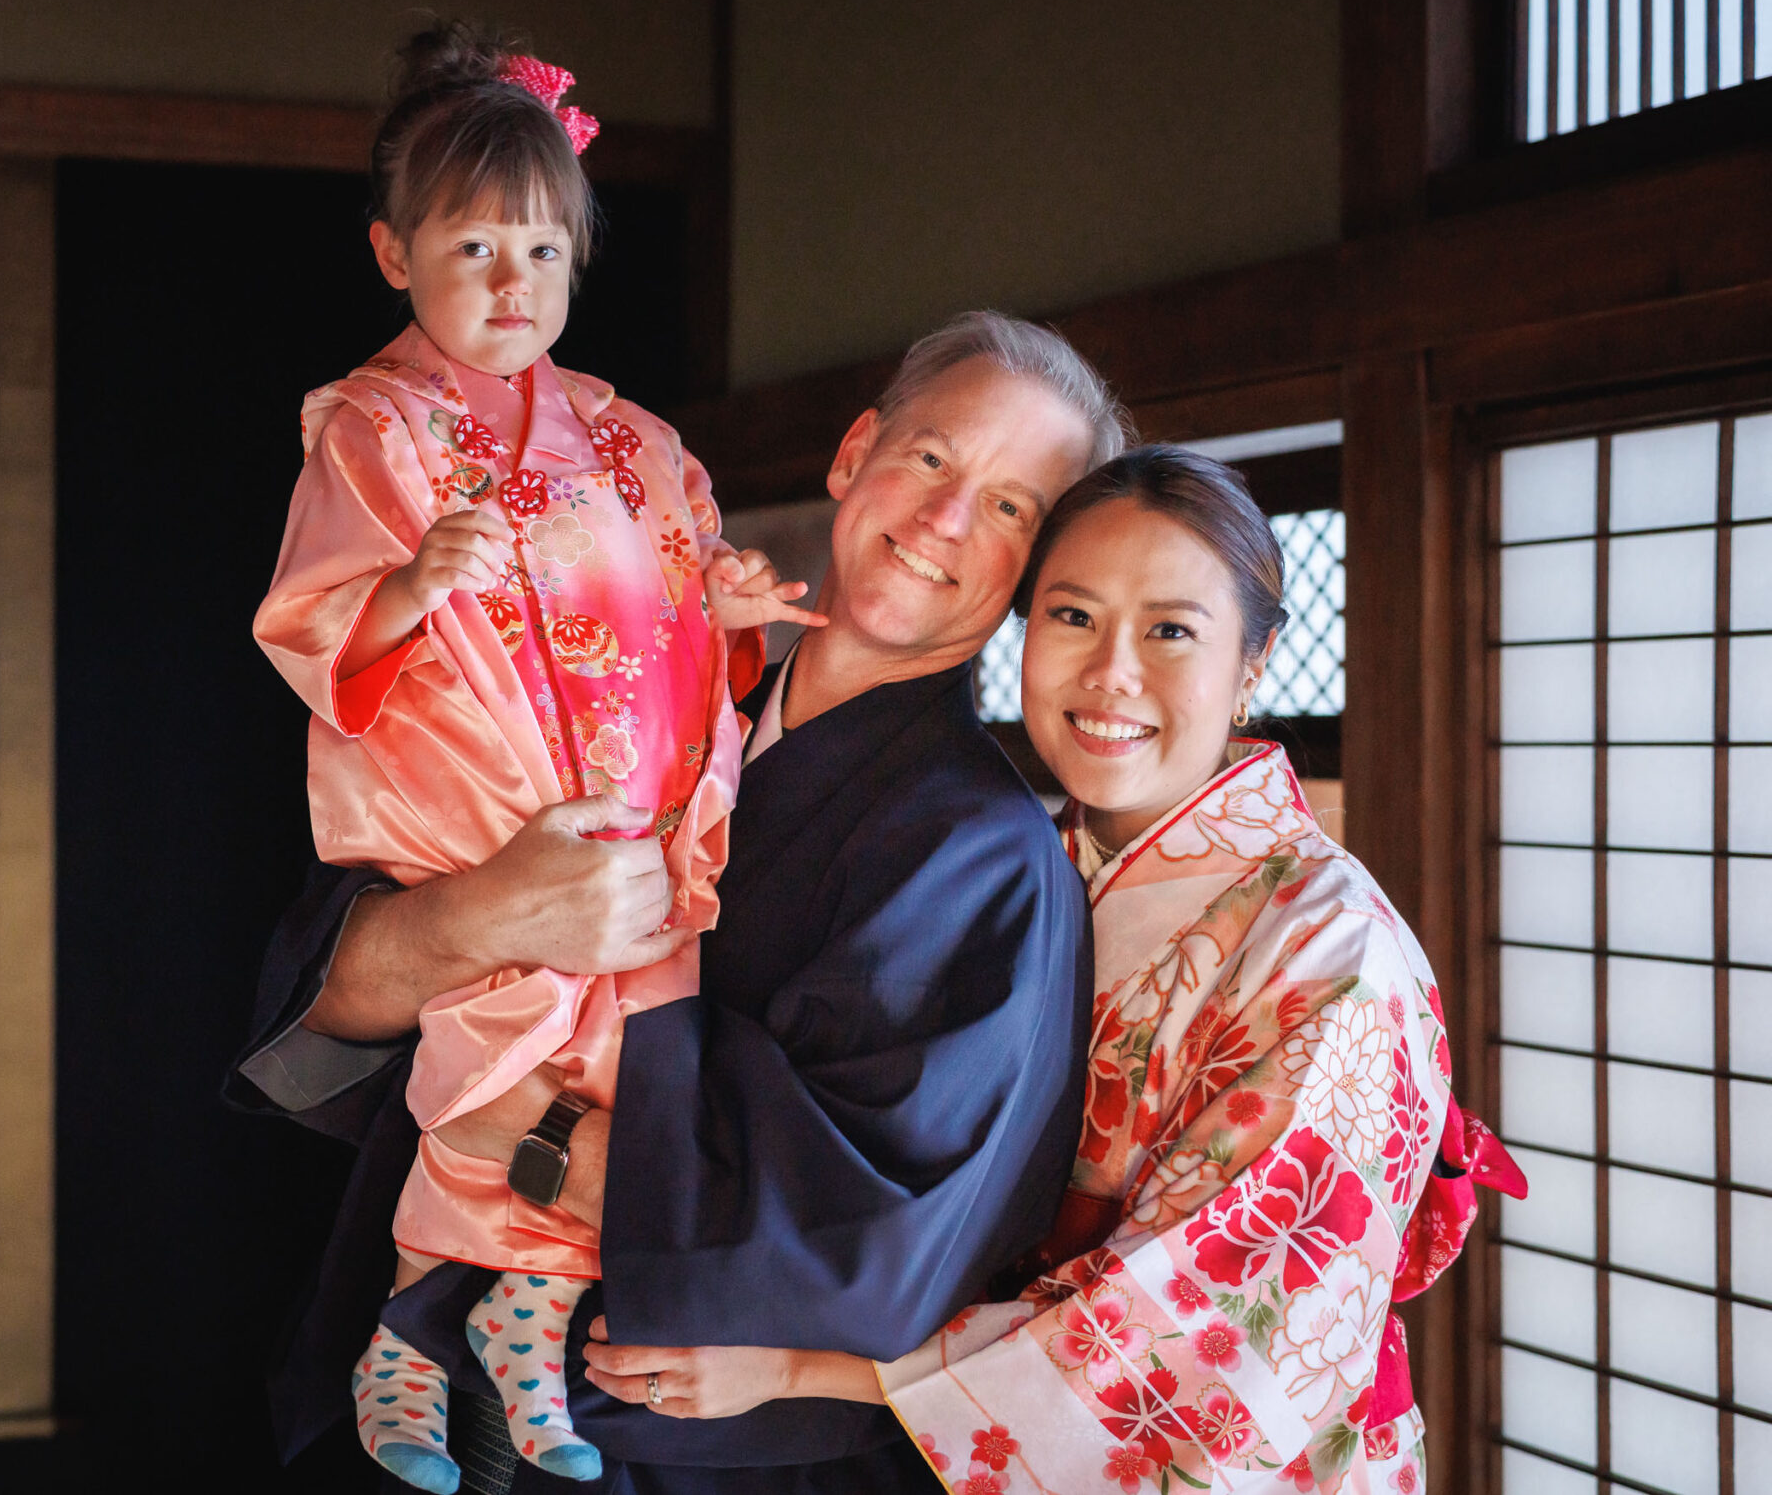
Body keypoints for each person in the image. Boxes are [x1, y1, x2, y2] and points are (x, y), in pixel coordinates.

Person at [234, 309, 1126, 1491]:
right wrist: (482, 916)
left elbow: (876, 1250)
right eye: (930, 457)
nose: (945, 520)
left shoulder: (985, 857)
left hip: (677, 1459)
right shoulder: (634, 695)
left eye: (1012, 507)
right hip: (413, 1379)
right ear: (854, 450)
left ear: (1033, 572)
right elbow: (329, 1008)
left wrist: (537, 1140)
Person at [583, 448, 1523, 1494]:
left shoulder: (1332, 956)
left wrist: (808, 1365)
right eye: (1071, 617)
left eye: (1170, 630)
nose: (1111, 672)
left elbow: (1206, 1339)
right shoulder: (1023, 854)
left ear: (1253, 663)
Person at [252, 21, 822, 1488]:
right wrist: (409, 586)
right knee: (508, 1048)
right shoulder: (373, 429)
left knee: (636, 1070)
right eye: (475, 251)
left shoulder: (641, 441)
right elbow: (315, 622)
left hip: (634, 814)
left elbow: (678, 621)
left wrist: (733, 616)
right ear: (394, 254)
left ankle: (523, 1312)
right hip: (489, 806)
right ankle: (402, 1336)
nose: (515, 287)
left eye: (543, 255)